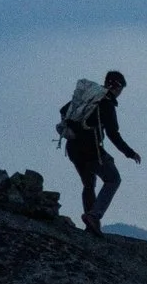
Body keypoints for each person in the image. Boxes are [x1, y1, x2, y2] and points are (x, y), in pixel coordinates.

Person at [57, 66, 139, 231]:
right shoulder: (106, 104)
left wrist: (75, 129)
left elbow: (63, 110)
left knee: (88, 184)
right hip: (91, 150)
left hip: (73, 148)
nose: (120, 93)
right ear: (116, 87)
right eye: (121, 89)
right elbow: (113, 134)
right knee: (113, 179)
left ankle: (91, 222)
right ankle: (93, 217)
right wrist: (129, 152)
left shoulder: (88, 97)